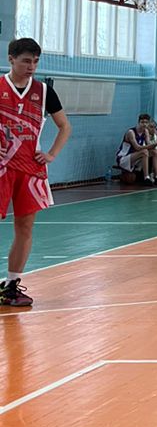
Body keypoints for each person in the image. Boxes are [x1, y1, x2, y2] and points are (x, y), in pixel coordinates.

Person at [0, 37, 71, 309]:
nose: (31, 67)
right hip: (3, 167)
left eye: (36, 62)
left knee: (25, 227)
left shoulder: (43, 91)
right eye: (26, 61)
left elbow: (65, 126)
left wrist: (51, 154)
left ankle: (11, 285)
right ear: (11, 59)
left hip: (31, 169)